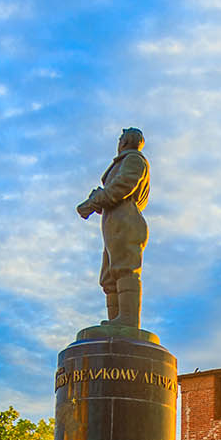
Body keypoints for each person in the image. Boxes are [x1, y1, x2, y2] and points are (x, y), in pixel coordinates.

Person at [76, 127, 151, 330]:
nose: (118, 143)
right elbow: (114, 192)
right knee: (109, 276)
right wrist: (97, 201)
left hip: (126, 220)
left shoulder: (134, 160)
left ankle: (127, 320)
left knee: (125, 268)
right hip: (114, 222)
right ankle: (116, 322)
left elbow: (122, 187)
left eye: (120, 139)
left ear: (124, 142)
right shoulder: (126, 161)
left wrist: (94, 201)